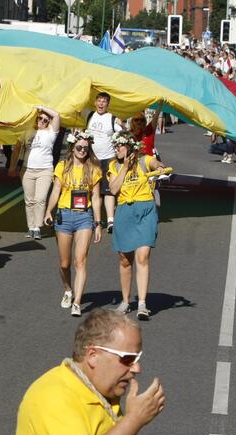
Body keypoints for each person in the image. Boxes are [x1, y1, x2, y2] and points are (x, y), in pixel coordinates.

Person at [11, 308, 165, 435]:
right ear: (93, 356)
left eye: (137, 358)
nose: (137, 368)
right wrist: (134, 419)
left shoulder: (102, 391)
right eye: (127, 359)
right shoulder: (52, 396)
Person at [108, 131, 169, 319]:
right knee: (125, 260)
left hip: (145, 210)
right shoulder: (114, 165)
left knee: (142, 256)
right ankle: (126, 301)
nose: (117, 148)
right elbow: (113, 189)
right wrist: (125, 167)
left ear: (130, 147)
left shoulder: (144, 160)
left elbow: (156, 163)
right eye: (115, 145)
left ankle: (142, 304)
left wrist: (159, 167)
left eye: (120, 145)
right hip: (124, 211)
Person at [44, 131, 103, 317]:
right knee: (64, 263)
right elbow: (55, 191)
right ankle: (68, 289)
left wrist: (98, 222)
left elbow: (96, 197)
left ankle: (77, 302)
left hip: (84, 216)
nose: (82, 151)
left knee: (81, 260)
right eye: (79, 147)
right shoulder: (62, 166)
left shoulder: (94, 169)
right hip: (64, 215)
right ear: (72, 148)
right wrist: (48, 210)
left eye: (86, 148)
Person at [85, 92, 122, 234]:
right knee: (94, 191)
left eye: (104, 101)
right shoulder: (89, 116)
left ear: (108, 104)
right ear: (95, 102)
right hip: (92, 159)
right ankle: (96, 220)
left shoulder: (112, 119)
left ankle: (111, 220)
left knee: (108, 190)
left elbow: (124, 135)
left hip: (108, 159)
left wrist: (121, 124)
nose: (101, 104)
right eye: (99, 101)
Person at [22, 105, 60, 240]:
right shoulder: (29, 131)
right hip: (29, 170)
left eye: (45, 120)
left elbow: (56, 115)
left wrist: (40, 107)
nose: (42, 121)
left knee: (40, 199)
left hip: (45, 170)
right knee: (29, 200)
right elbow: (18, 146)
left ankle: (37, 227)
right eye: (40, 118)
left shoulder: (51, 133)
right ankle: (31, 227)